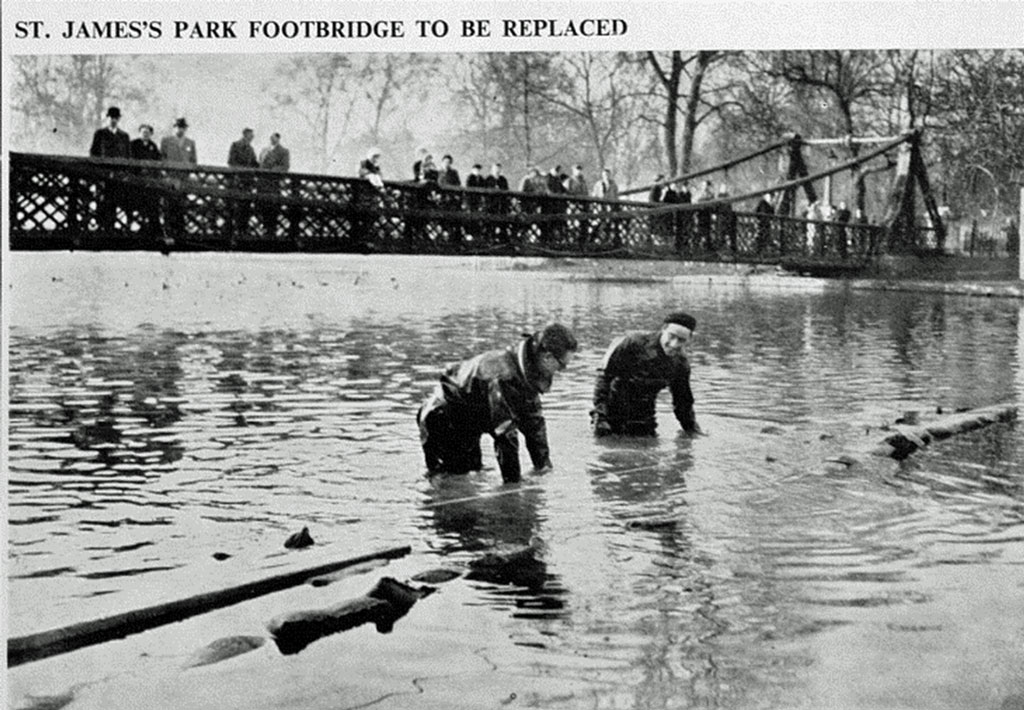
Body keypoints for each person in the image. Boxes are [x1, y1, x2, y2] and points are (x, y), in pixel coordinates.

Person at [417, 323, 578, 483]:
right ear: (547, 357)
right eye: (562, 365)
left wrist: (543, 467)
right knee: (453, 482)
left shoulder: (530, 371)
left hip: (468, 421)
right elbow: (505, 434)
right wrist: (514, 485)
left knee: (473, 474)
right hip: (442, 419)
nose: (562, 371)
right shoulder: (504, 375)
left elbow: (534, 423)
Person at [591, 312, 701, 438]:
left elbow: (682, 402)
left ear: (689, 339)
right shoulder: (632, 343)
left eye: (681, 340)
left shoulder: (680, 363)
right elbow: (604, 377)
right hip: (612, 414)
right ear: (663, 329)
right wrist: (599, 417)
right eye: (671, 336)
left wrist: (692, 430)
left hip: (644, 419)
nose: (674, 344)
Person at [258, 133, 290, 239]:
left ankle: (271, 231)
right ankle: (265, 229)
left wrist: (271, 171)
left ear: (278, 138)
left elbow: (285, 167)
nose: (272, 139)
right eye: (271, 138)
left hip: (273, 183)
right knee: (262, 206)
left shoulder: (283, 151)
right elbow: (259, 164)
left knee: (273, 207)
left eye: (274, 138)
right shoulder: (265, 150)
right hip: (262, 184)